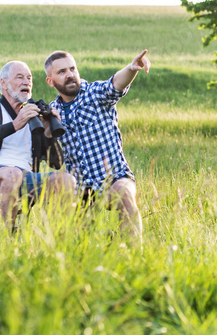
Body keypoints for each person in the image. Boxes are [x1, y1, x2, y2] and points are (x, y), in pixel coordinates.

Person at [44, 48, 150, 240]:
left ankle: (135, 256)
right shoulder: (53, 112)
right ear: (50, 81)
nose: (69, 75)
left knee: (124, 194)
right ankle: (103, 243)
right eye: (62, 72)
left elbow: (115, 83)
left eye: (72, 69)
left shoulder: (94, 94)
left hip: (114, 178)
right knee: (80, 238)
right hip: (81, 188)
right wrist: (47, 129)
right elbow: (50, 156)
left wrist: (132, 68)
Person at [0, 60, 75, 228]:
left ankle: (54, 244)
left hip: (25, 178)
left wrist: (48, 133)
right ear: (4, 83)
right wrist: (15, 124)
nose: (26, 82)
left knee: (67, 181)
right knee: (13, 174)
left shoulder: (34, 116)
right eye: (20, 77)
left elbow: (57, 163)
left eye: (29, 78)